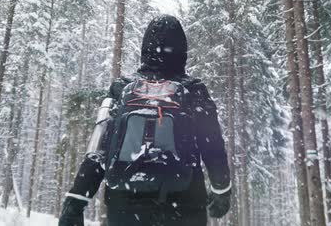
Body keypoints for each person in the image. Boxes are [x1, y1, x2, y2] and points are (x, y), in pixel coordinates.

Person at [58, 15, 231, 226]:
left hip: (124, 204)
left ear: (145, 47)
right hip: (185, 204)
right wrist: (221, 189)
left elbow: (99, 147)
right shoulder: (194, 90)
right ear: (182, 49)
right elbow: (212, 144)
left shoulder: (122, 87)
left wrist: (76, 199)